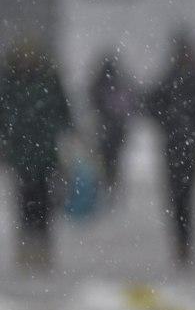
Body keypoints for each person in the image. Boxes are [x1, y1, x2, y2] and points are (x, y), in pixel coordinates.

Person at [0, 39, 73, 271]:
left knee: (44, 201)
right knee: (24, 200)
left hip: (44, 152)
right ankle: (27, 247)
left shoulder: (49, 79)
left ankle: (42, 247)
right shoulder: (9, 81)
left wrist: (68, 136)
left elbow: (64, 112)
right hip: (20, 152)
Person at [145, 27, 195, 267]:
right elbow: (151, 104)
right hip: (176, 146)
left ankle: (185, 240)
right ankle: (182, 241)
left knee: (186, 196)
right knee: (177, 197)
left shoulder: (191, 79)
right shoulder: (172, 78)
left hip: (187, 145)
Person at [87, 49, 137, 198]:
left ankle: (106, 183)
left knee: (105, 156)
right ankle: (111, 183)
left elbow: (93, 101)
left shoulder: (99, 83)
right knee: (114, 157)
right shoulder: (119, 81)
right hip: (116, 127)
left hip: (105, 127)